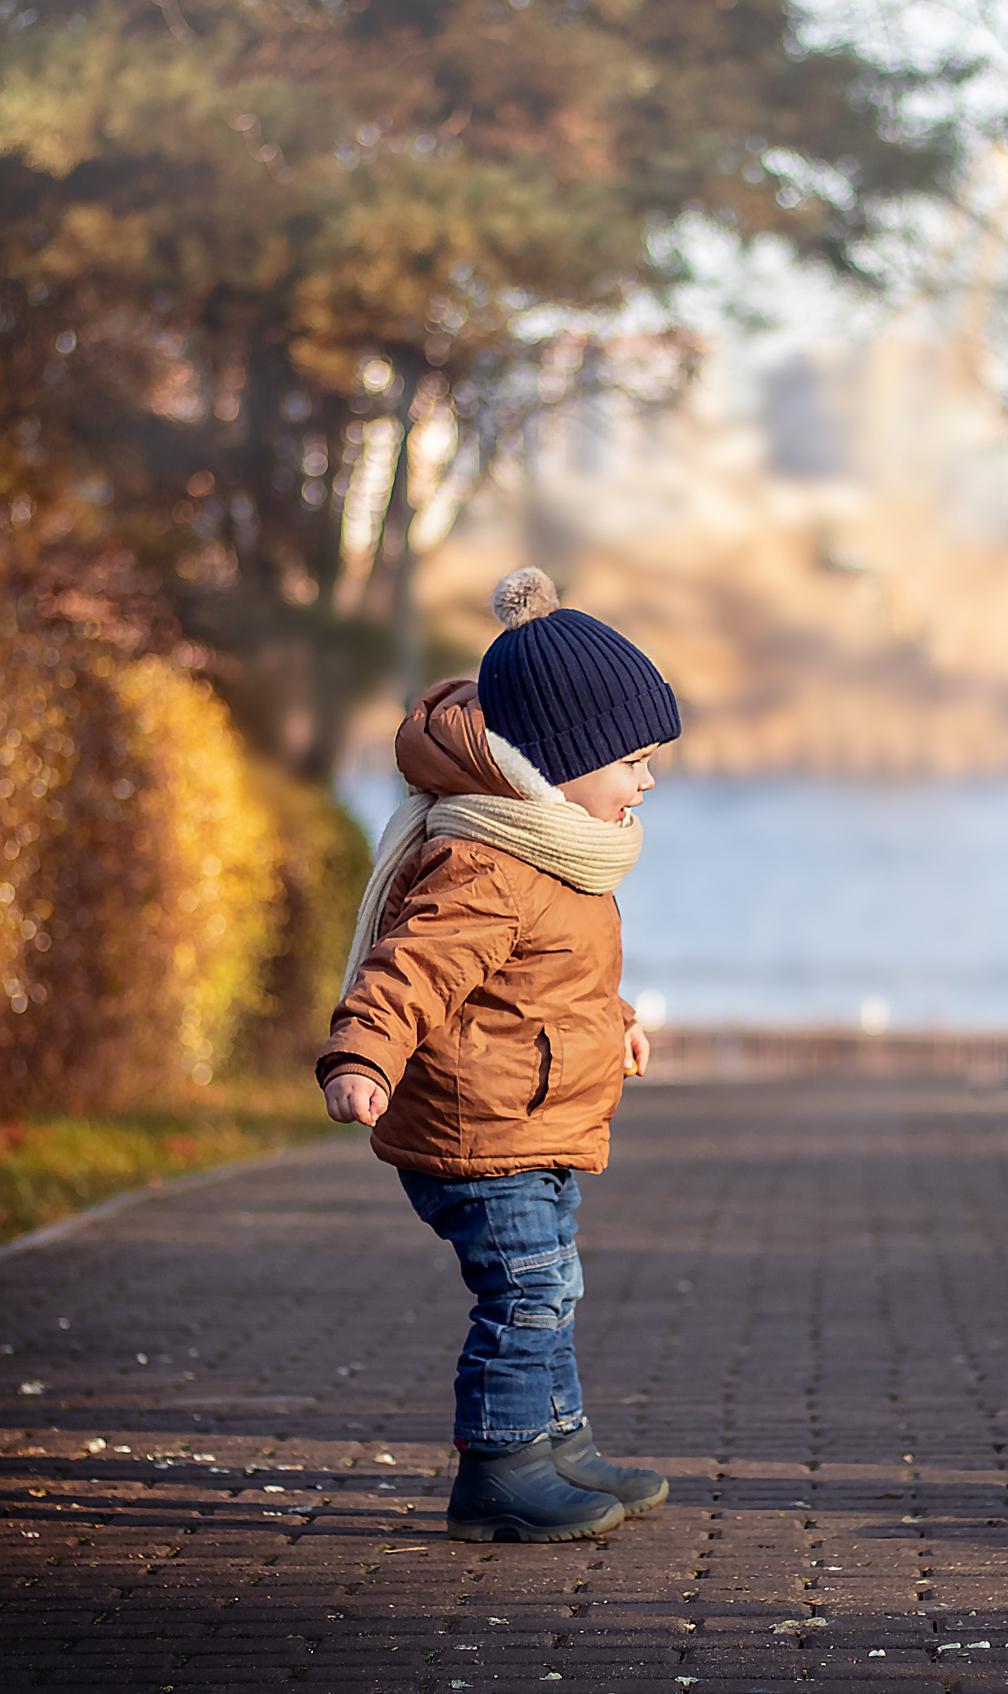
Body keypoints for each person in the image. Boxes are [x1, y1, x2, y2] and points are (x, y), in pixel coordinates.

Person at [318, 566, 679, 1544]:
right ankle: (500, 1466)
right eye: (633, 760)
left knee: (553, 1282)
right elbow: (412, 967)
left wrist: (617, 1017)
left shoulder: (554, 847)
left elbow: (557, 973)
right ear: (560, 761)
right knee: (526, 1289)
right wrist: (362, 1056)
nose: (647, 781)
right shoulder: (489, 860)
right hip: (480, 1128)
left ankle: (559, 1443)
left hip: (532, 1117)